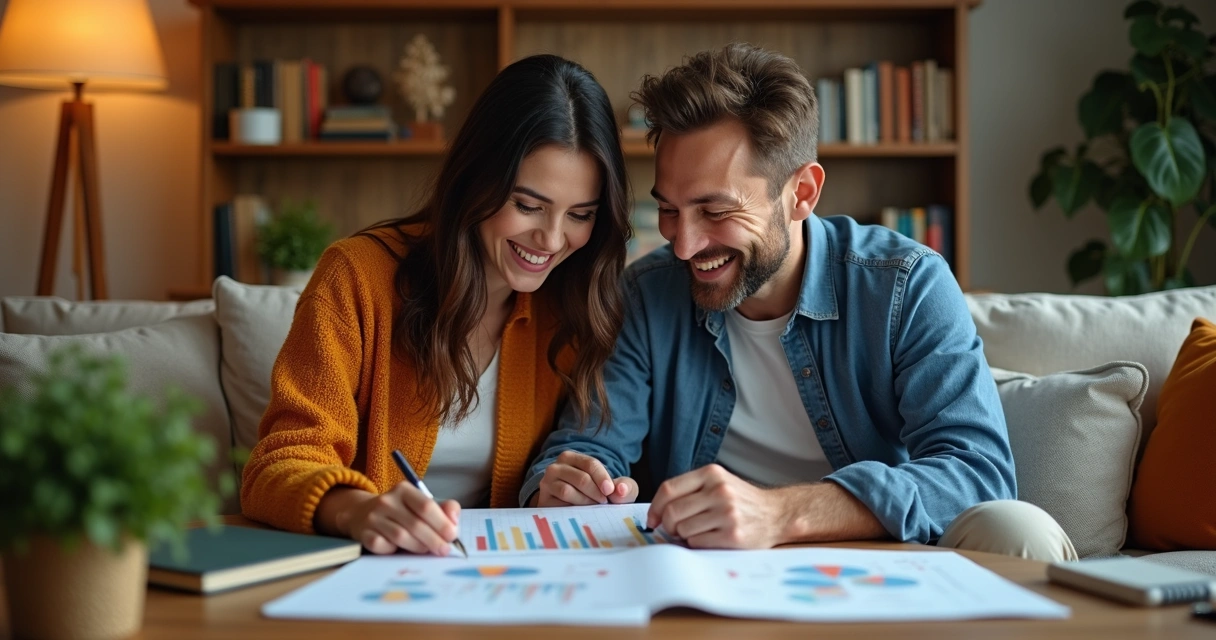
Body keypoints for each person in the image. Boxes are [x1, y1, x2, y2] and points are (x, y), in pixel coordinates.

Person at [521, 43, 1077, 562]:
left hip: (870, 555)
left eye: (715, 211)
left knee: (1015, 529)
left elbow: (977, 474)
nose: (684, 244)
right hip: (706, 567)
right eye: (669, 209)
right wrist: (571, 481)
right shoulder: (645, 295)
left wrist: (782, 513)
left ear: (803, 193)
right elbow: (589, 445)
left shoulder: (905, 285)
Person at [241, 54, 632, 556]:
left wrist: (567, 485)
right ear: (476, 181)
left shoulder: (573, 304)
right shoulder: (358, 276)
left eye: (580, 214)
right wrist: (360, 510)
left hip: (501, 576)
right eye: (527, 206)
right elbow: (276, 465)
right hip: (375, 570)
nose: (552, 239)